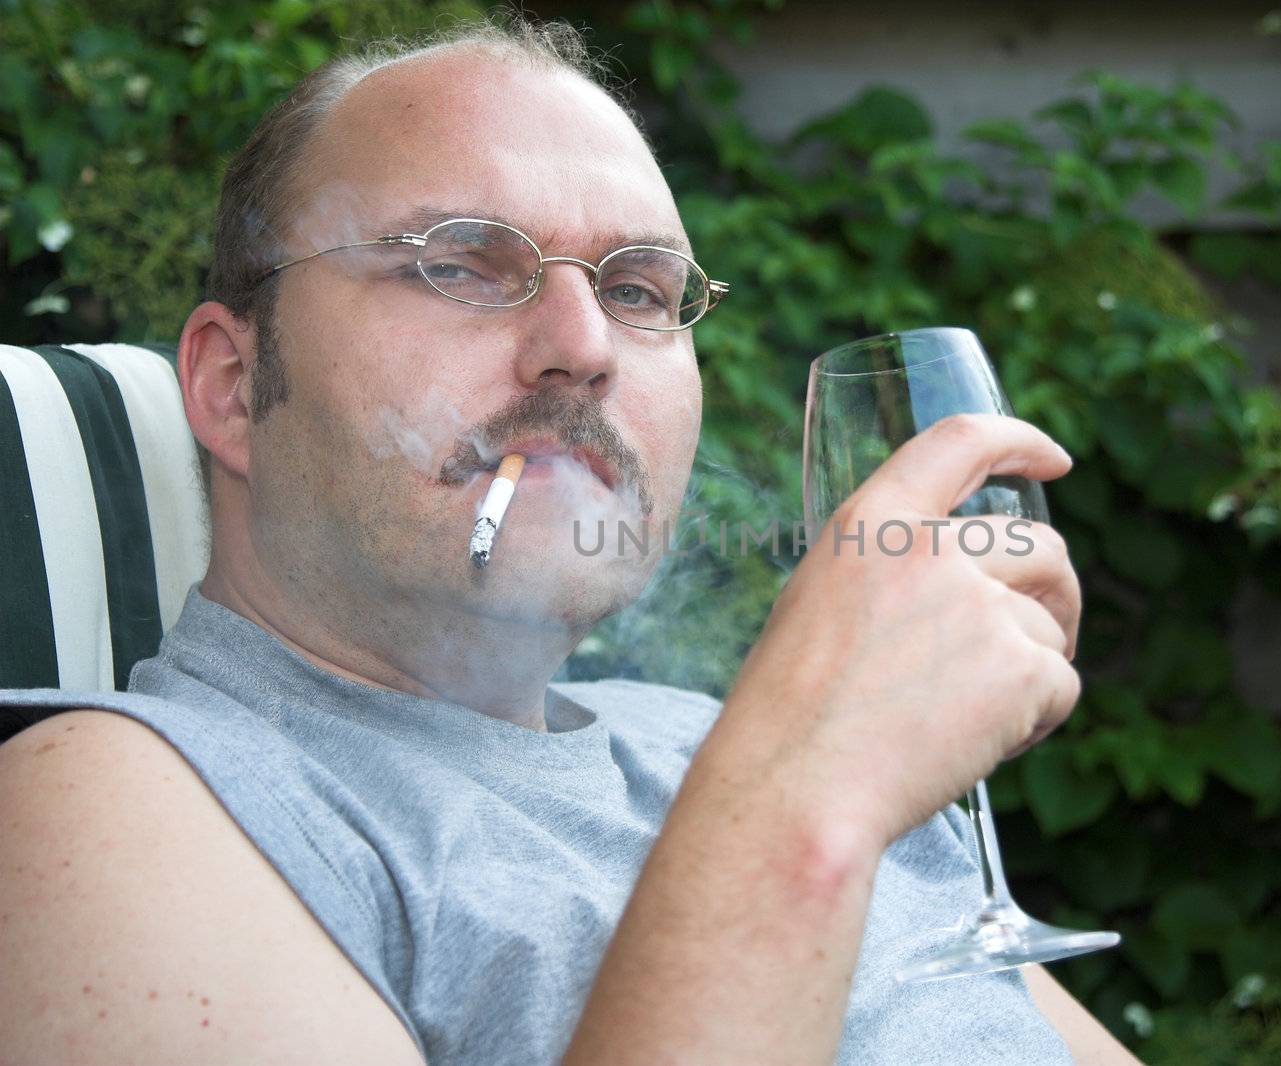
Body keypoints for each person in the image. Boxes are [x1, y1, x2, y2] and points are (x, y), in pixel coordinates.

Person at [0, 19, 1140, 1066]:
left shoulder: (721, 742)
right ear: (237, 386)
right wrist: (804, 791)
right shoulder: (111, 806)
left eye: (640, 289)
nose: (582, 344)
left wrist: (803, 764)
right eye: (457, 263)